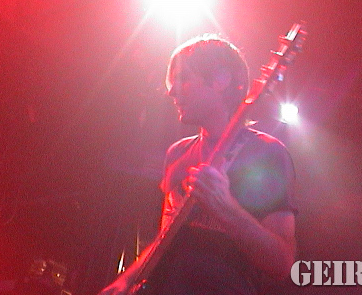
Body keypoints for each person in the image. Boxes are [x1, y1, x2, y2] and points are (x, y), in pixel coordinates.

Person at [99, 35, 297, 295]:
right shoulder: (177, 153)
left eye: (183, 78)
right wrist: (126, 280)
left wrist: (224, 206)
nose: (171, 91)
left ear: (220, 80)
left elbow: (282, 263)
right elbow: (166, 238)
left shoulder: (267, 153)